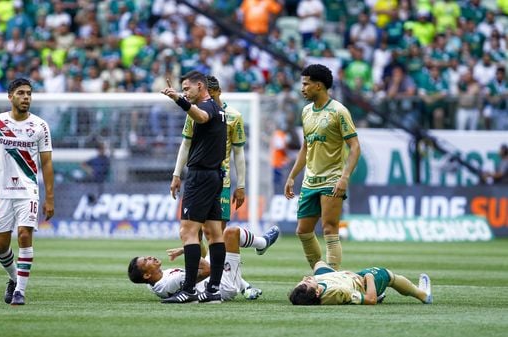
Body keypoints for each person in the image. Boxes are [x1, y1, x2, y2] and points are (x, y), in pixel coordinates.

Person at [0, 78, 54, 306]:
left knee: (24, 235)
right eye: (21, 93)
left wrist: (49, 197)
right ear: (11, 97)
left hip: (28, 191)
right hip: (1, 191)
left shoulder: (40, 126)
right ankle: (13, 278)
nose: (26, 97)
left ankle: (20, 291)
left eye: (29, 93)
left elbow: (47, 163)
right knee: (0, 245)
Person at [284, 64, 361, 271]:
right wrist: (292, 176)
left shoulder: (338, 111)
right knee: (303, 230)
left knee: (329, 229)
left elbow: (355, 147)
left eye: (306, 84)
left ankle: (333, 277)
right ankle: (320, 273)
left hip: (331, 180)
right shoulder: (306, 111)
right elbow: (305, 147)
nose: (302, 88)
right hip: (310, 181)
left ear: (318, 86)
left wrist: (344, 177)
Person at [160, 71, 227, 304]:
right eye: (184, 89)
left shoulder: (207, 108)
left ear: (201, 86)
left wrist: (178, 99)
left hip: (201, 177)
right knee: (213, 233)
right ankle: (213, 291)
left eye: (187, 88)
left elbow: (200, 117)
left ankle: (188, 290)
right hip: (214, 176)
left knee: (187, 232)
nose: (186, 92)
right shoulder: (218, 108)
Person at [170, 75, 248, 242]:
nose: (210, 99)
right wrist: (177, 174)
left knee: (215, 231)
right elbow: (186, 144)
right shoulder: (194, 113)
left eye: (214, 94)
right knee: (192, 230)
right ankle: (205, 265)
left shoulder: (233, 116)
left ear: (219, 92)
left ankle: (215, 266)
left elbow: (239, 152)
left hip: (221, 179)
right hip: (198, 177)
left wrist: (241, 185)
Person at [128, 225, 280, 302]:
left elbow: (202, 264)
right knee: (231, 233)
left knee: (209, 234)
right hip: (222, 286)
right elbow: (207, 270)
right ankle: (262, 243)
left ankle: (246, 287)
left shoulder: (154, 280)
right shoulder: (170, 282)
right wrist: (187, 250)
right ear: (147, 274)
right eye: (146, 260)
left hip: (211, 280)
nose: (150, 257)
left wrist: (195, 244)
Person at [288, 260, 433, 305]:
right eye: (307, 282)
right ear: (318, 292)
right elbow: (370, 300)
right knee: (387, 275)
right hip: (361, 283)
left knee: (319, 264)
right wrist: (369, 277)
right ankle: (423, 295)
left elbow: (309, 286)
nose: (305, 278)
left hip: (339, 279)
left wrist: (340, 274)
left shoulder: (311, 293)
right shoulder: (340, 292)